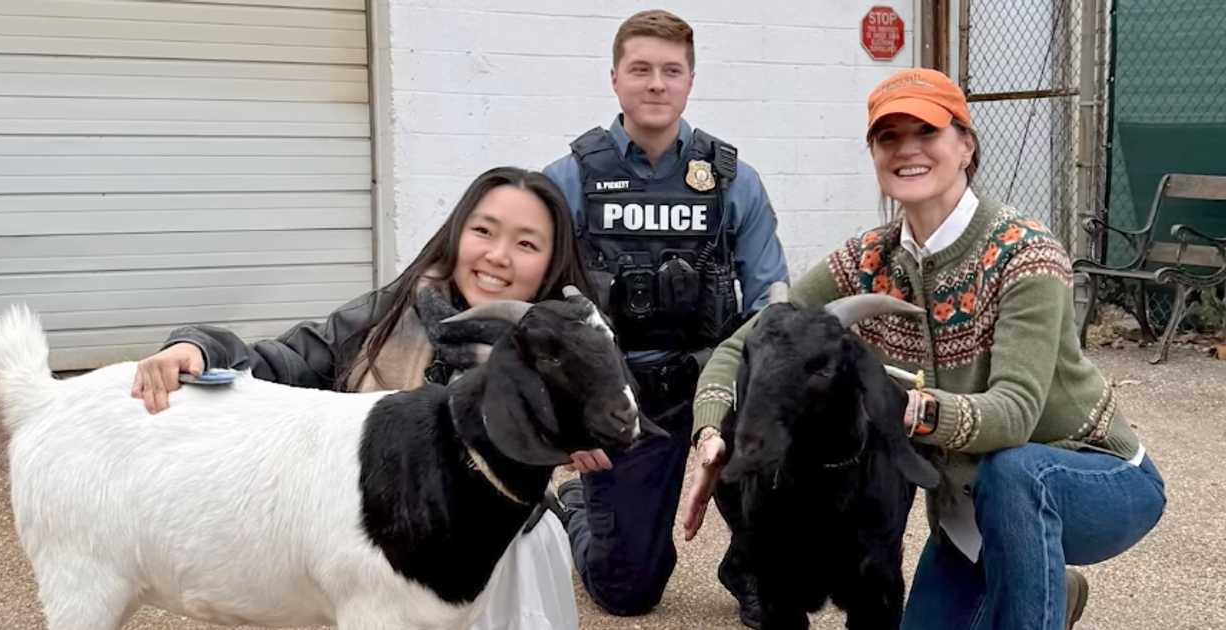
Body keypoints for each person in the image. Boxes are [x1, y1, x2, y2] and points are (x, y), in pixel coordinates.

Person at [682, 67, 1167, 630]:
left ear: (965, 146)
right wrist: (713, 432)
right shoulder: (865, 261)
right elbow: (745, 343)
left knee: (1014, 472)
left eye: (927, 133)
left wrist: (906, 407)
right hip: (969, 514)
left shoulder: (1025, 253)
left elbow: (1013, 414)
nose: (907, 150)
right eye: (889, 137)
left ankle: (1032, 599)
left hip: (1093, 479)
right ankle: (1040, 583)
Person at [130, 166, 593, 630]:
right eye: (483, 231)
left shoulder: (558, 349)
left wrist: (585, 432)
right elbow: (286, 360)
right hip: (389, 555)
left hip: (509, 557)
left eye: (526, 244)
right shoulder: (388, 317)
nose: (498, 256)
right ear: (455, 234)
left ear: (552, 263)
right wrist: (198, 347)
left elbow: (616, 407)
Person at [541, 9, 789, 620]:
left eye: (671, 71)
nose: (656, 83)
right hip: (620, 399)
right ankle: (575, 508)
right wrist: (569, 416)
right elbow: (541, 313)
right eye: (641, 69)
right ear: (615, 79)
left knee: (779, 596)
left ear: (690, 80)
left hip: (716, 388)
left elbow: (770, 306)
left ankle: (752, 564)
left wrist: (753, 399)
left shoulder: (734, 181)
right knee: (627, 594)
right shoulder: (567, 180)